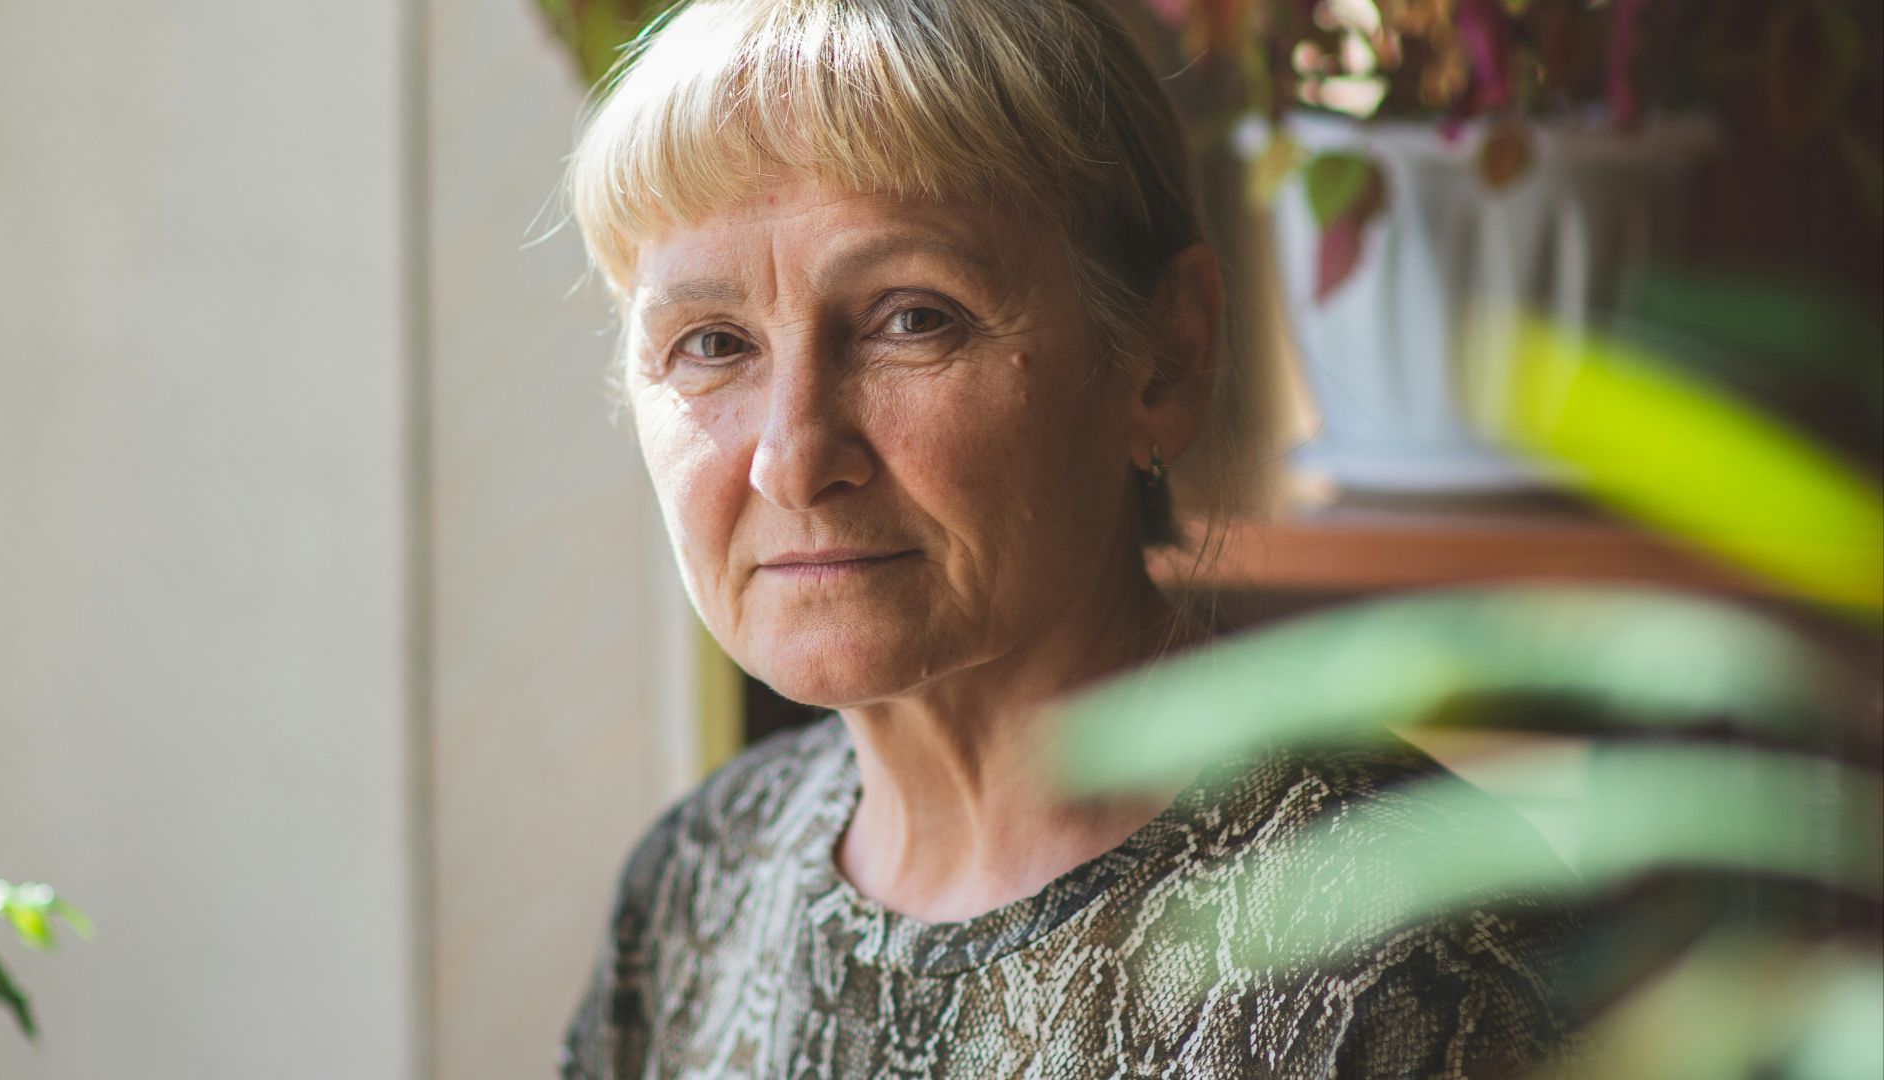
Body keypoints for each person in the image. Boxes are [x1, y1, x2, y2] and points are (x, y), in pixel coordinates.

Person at [557, 1, 1579, 1076]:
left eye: (914, 319)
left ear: (1163, 358)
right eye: (712, 344)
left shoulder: (1411, 946)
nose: (796, 458)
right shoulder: (694, 888)